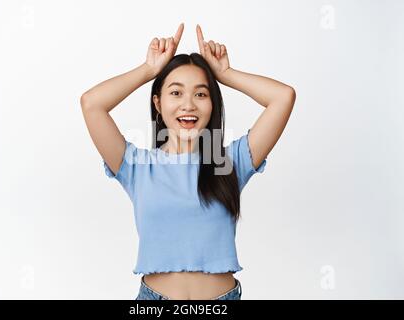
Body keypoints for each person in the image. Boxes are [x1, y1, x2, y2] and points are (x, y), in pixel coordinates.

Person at [80, 23, 296, 300]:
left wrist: (226, 74)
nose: (189, 105)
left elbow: (283, 97)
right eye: (176, 92)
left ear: (212, 104)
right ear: (157, 103)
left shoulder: (228, 162)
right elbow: (91, 103)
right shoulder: (136, 166)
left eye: (201, 94)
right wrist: (148, 70)